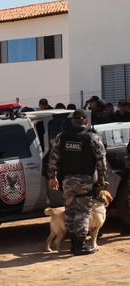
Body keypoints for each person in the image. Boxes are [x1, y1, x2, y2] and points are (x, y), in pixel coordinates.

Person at [48, 109, 107, 256]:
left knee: (70, 212)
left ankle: (74, 243)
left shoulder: (61, 137)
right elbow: (101, 162)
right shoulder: (93, 138)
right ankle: (79, 245)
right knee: (83, 213)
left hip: (67, 181)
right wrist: (101, 181)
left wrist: (52, 177)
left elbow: (53, 159)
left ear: (72, 121)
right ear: (86, 121)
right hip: (86, 182)